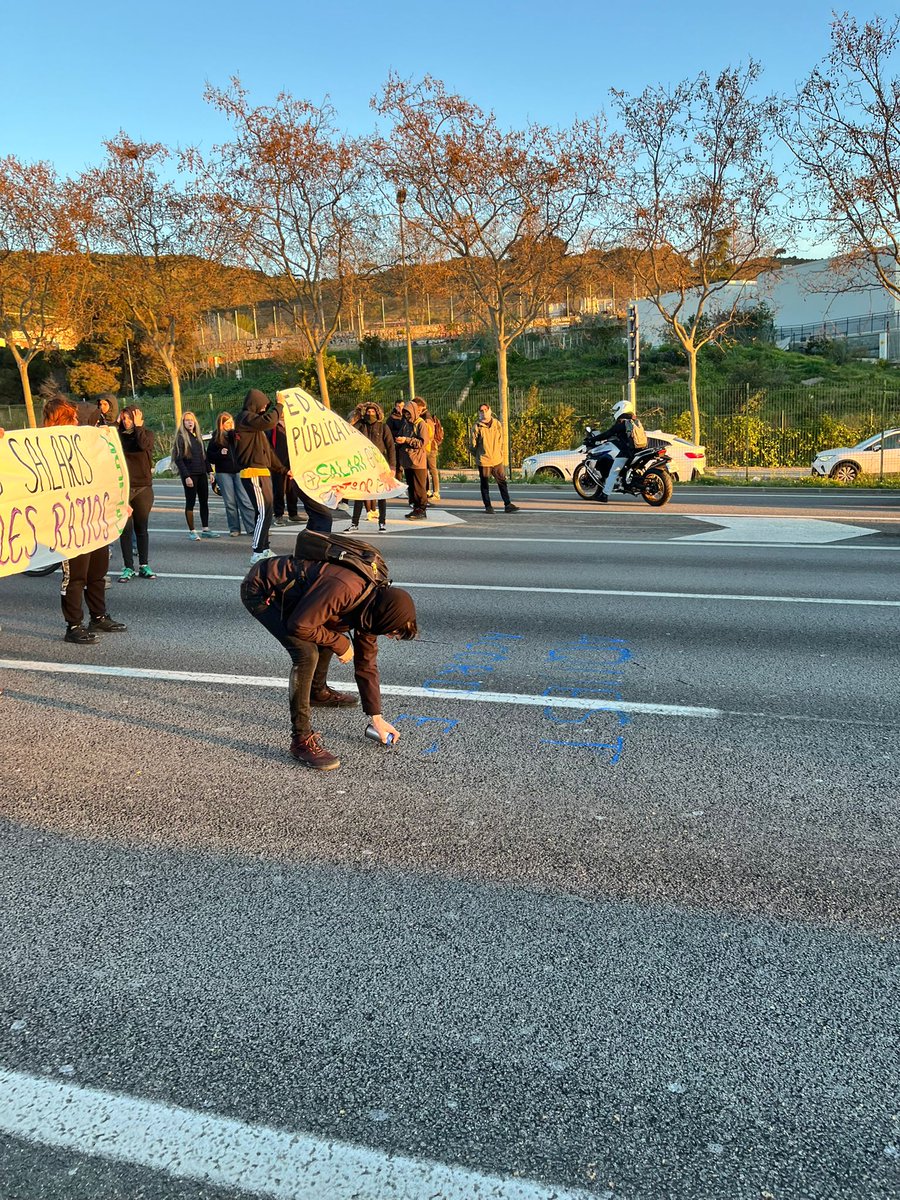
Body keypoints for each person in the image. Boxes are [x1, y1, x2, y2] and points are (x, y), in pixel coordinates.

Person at [241, 549, 418, 770]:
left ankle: (317, 692)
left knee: (328, 633)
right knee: (307, 653)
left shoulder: (374, 607)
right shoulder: (346, 589)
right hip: (263, 590)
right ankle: (301, 741)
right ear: (387, 616)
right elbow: (300, 625)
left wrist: (377, 717)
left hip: (302, 598)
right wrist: (341, 644)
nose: (389, 636)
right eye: (392, 632)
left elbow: (366, 664)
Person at [42, 394, 127, 644]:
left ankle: (98, 616)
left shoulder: (83, 441)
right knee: (75, 575)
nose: (76, 419)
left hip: (93, 517)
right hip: (68, 522)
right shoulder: (44, 446)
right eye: (71, 416)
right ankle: (74, 624)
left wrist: (118, 502)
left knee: (97, 571)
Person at [116, 406, 156, 581]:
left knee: (141, 528)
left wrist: (138, 427)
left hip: (143, 487)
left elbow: (143, 445)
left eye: (129, 418)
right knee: (125, 529)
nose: (126, 421)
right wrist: (115, 426)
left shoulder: (147, 434)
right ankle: (128, 567)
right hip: (123, 489)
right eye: (124, 418)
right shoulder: (118, 437)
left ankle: (144, 565)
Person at [206, 412, 256, 537]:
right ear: (221, 424)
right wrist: (219, 453)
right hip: (224, 472)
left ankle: (252, 528)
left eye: (231, 422)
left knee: (245, 500)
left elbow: (246, 450)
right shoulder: (216, 438)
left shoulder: (237, 435)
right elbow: (209, 457)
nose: (229, 425)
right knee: (230, 502)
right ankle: (234, 528)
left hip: (239, 471)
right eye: (227, 422)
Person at [348, 402, 395, 533]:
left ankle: (382, 522)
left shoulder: (383, 427)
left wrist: (392, 466)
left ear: (378, 413)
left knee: (381, 494)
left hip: (380, 464)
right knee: (360, 494)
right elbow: (348, 429)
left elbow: (391, 447)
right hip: (363, 464)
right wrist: (357, 412)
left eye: (373, 412)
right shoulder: (360, 425)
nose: (370, 414)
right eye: (368, 412)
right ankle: (354, 523)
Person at [589, 399, 648, 502]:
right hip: (640, 450)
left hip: (627, 452)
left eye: (616, 410)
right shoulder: (636, 421)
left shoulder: (622, 423)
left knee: (613, 472)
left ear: (622, 409)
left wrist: (593, 439)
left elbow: (608, 433)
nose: (615, 413)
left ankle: (604, 495)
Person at [172, 412, 218, 540]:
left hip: (201, 473)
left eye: (191, 420)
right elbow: (178, 459)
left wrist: (210, 472)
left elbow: (204, 457)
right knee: (190, 502)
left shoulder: (198, 437)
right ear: (183, 423)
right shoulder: (181, 438)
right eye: (186, 420)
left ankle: (205, 529)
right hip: (190, 475)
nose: (189, 422)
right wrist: (186, 476)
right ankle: (192, 531)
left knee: (204, 502)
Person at [471, 403, 520, 514]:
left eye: (485, 410)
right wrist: (479, 455)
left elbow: (500, 440)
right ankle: (488, 506)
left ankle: (508, 504)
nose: (483, 412)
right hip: (484, 460)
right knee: (485, 484)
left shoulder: (497, 424)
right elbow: (472, 445)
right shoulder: (477, 427)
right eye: (481, 410)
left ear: (489, 410)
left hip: (497, 459)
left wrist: (499, 452)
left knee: (502, 482)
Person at [394, 401, 428, 520]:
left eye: (408, 413)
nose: (407, 416)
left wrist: (407, 440)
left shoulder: (421, 424)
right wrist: (398, 440)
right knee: (411, 487)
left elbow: (422, 442)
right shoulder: (405, 424)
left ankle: (421, 509)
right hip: (407, 460)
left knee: (419, 487)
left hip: (418, 461)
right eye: (405, 413)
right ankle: (415, 507)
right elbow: (400, 435)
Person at [269, 414, 302, 526]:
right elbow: (269, 446)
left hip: (292, 463)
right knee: (279, 490)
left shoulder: (292, 425)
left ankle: (293, 514)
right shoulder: (272, 427)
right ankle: (278, 515)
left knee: (292, 490)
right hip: (277, 464)